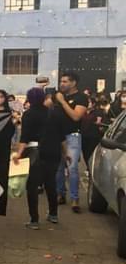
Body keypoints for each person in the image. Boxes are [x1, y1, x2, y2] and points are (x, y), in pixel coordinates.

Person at [13, 88, 64, 229]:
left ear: (29, 99)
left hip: (35, 153)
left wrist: (18, 154)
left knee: (32, 186)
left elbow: (24, 138)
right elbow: (61, 137)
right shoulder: (54, 114)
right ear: (43, 98)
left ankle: (34, 220)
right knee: (50, 183)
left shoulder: (28, 115)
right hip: (53, 152)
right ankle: (53, 214)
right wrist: (67, 154)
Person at [53, 72, 88, 213]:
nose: (62, 84)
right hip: (57, 136)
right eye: (61, 81)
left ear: (73, 83)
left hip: (72, 136)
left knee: (72, 167)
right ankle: (60, 194)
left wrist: (62, 102)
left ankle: (75, 198)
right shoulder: (58, 96)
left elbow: (76, 116)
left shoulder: (81, 97)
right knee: (58, 168)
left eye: (65, 81)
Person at [82, 96, 108, 167]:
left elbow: (102, 123)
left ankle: (90, 169)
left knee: (91, 154)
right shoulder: (82, 112)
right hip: (83, 136)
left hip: (94, 137)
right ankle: (88, 168)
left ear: (93, 104)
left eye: (89, 102)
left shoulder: (98, 112)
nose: (87, 104)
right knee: (85, 153)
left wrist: (100, 124)